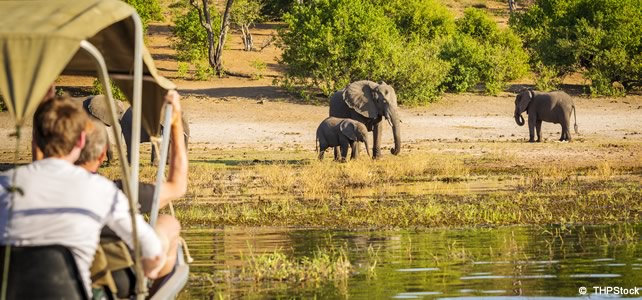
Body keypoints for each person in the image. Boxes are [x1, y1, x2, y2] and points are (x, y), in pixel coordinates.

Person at [0, 96, 166, 297]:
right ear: (81, 140)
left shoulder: (4, 185)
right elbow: (152, 249)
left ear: (35, 140)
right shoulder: (101, 189)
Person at [76, 90, 187, 283]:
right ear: (102, 155)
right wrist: (175, 123)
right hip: (107, 283)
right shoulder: (112, 194)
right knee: (168, 223)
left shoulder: (10, 189)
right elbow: (177, 187)